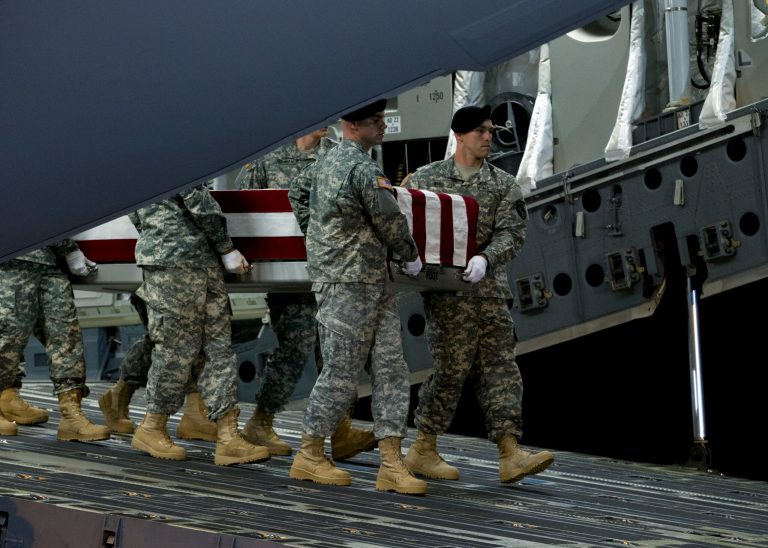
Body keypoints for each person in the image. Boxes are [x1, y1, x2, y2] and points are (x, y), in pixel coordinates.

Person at [403, 105, 554, 484]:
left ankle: (510, 451)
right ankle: (423, 447)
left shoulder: (503, 184)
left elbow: (512, 232)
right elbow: (401, 220)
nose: (488, 137)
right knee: (451, 371)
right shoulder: (426, 180)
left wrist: (487, 257)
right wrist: (409, 258)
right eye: (480, 131)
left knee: (501, 369)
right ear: (459, 135)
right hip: (448, 296)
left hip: (488, 292)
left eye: (490, 130)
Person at [287, 99, 426, 495]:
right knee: (343, 372)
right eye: (375, 121)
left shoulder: (324, 163)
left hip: (364, 280)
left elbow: (297, 193)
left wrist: (318, 236)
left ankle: (391, 463)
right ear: (352, 125)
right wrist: (410, 256)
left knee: (390, 368)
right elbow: (389, 218)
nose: (382, 127)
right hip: (349, 283)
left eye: (382, 120)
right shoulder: (362, 168)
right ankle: (309, 454)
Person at [236, 128, 375, 460]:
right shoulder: (266, 159)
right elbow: (243, 211)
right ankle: (261, 421)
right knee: (296, 348)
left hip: (331, 269)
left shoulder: (338, 155)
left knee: (336, 352)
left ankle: (340, 431)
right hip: (287, 277)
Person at [128, 182, 269, 466]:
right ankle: (152, 426)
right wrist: (226, 246)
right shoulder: (172, 149)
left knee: (219, 348)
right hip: (176, 260)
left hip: (197, 260)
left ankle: (228, 435)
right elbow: (198, 200)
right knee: (177, 348)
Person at [0, 241, 111, 441]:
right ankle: (5, 397)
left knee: (66, 334)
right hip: (11, 257)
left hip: (49, 260)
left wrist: (66, 248)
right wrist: (68, 247)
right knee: (9, 336)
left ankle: (71, 415)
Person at [98, 293, 218, 441]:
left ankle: (118, 395)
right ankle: (190, 416)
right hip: (163, 282)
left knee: (176, 337)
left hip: (189, 283)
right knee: (177, 337)